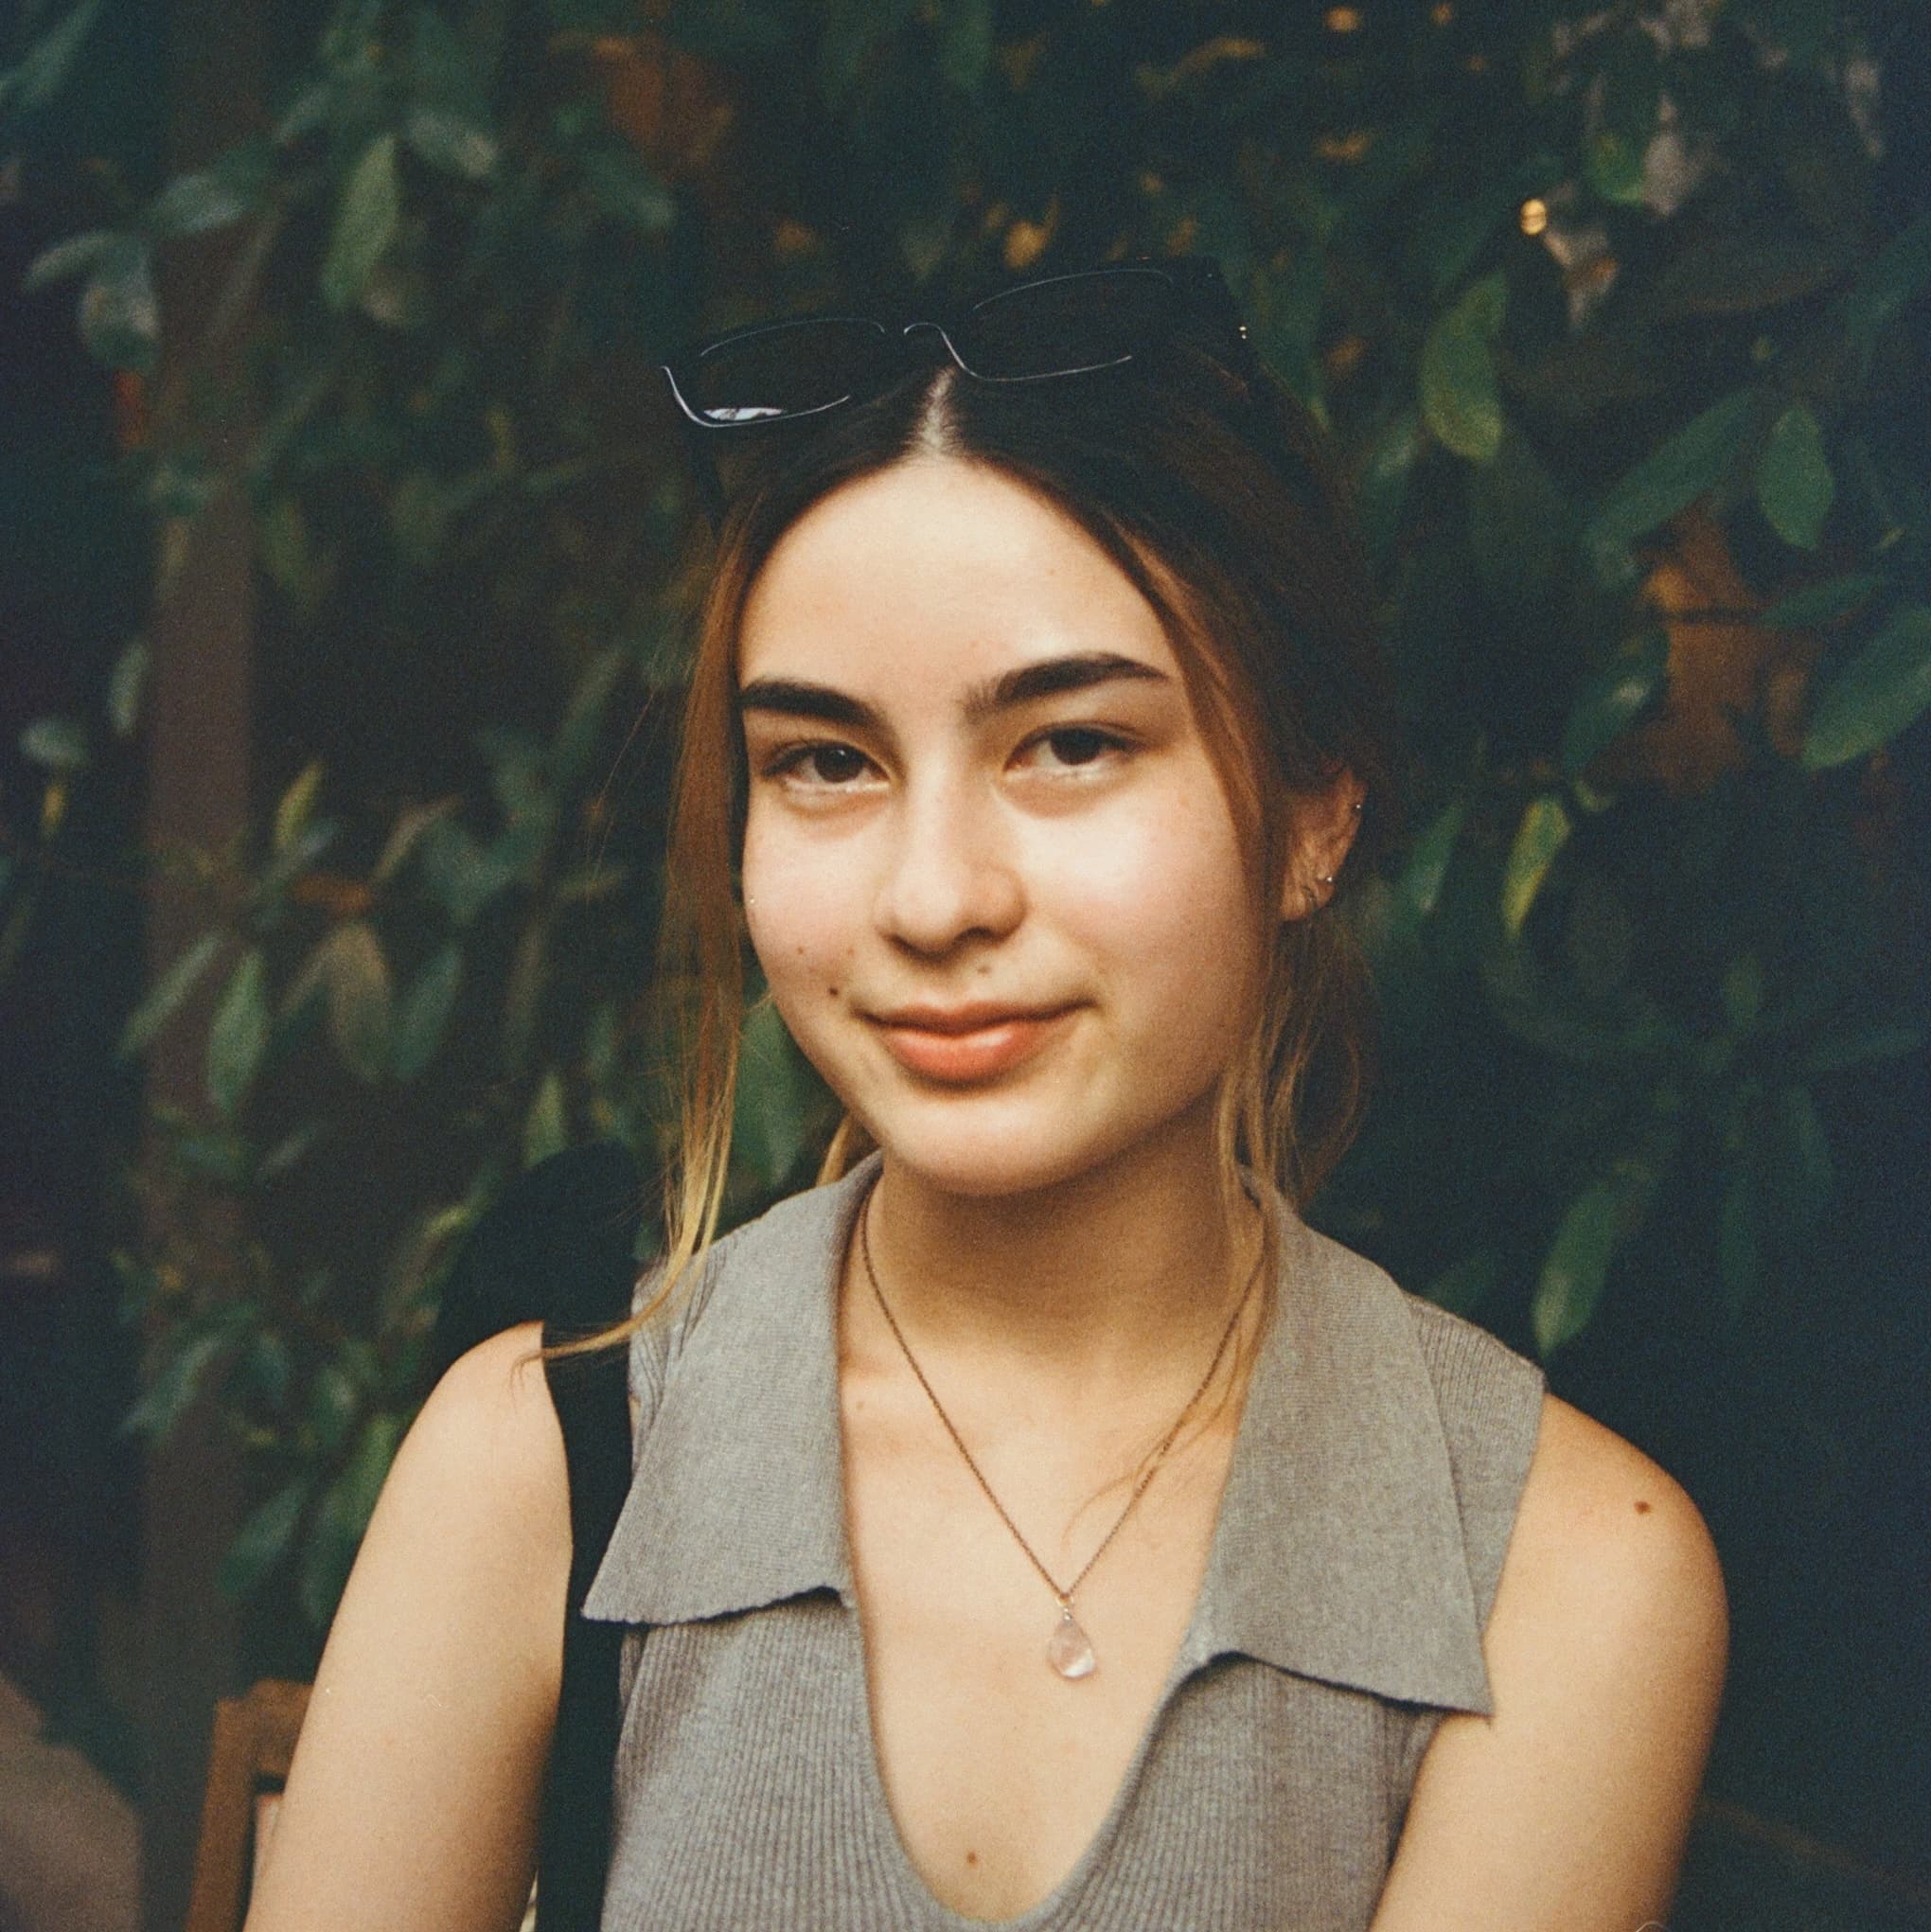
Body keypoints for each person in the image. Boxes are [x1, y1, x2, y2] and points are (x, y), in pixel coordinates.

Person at [245, 260, 1727, 1930]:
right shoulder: (545, 1457)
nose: (934, 897)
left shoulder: (1557, 1566)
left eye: (1072, 742)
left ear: (1313, 814)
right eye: (825, 760)